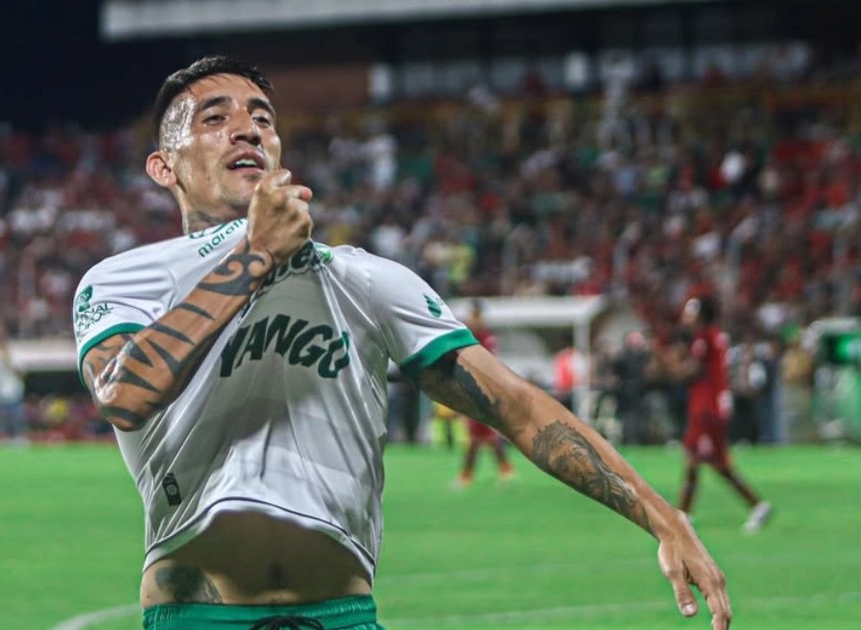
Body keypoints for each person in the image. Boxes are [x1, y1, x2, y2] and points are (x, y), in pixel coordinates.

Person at [73, 56, 731, 629]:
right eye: (215, 118)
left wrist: (662, 516)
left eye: (263, 118)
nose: (247, 128)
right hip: (196, 619)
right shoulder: (124, 279)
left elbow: (519, 407)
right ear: (164, 167)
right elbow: (124, 393)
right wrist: (254, 256)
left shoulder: (364, 280)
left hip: (341, 617)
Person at [672, 296, 772, 534]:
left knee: (698, 459)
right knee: (713, 462)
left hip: (705, 408)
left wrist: (674, 369)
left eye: (690, 312)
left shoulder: (704, 338)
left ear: (700, 315)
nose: (686, 317)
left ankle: (684, 515)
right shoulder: (716, 335)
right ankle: (755, 505)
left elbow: (693, 371)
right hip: (714, 406)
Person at [452, 300, 514, 487]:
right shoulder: (468, 335)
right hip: (471, 387)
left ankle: (467, 475)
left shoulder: (486, 338)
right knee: (482, 433)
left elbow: (487, 363)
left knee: (478, 433)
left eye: (475, 315)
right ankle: (505, 469)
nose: (473, 319)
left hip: (484, 388)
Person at [0, 319, 28, 446]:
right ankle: (5, 438)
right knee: (3, 420)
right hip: (0, 393)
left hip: (14, 391)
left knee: (16, 418)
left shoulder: (14, 353)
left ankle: (19, 438)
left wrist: (8, 361)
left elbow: (22, 373)